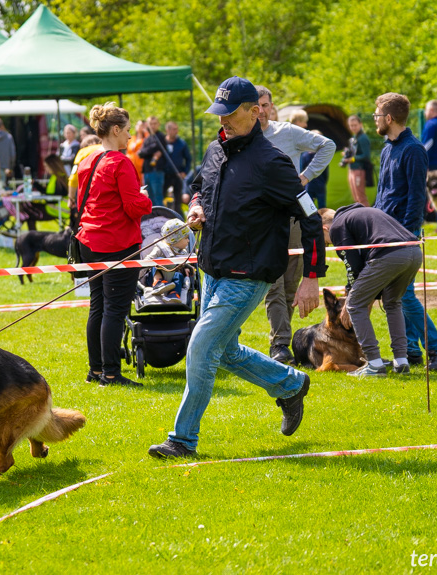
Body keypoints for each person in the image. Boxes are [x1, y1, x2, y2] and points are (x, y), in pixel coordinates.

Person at [148, 76, 326, 459]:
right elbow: (199, 186)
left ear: (254, 111)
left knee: (201, 345)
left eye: (230, 113)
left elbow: (310, 218)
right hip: (212, 268)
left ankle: (182, 440)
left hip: (249, 274)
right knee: (224, 351)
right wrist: (196, 205)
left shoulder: (273, 163)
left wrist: (311, 277)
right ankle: (291, 384)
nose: (223, 120)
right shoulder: (215, 150)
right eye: (220, 113)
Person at [255, 84, 336, 365]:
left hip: (293, 216)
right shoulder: (244, 136)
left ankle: (282, 342)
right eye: (256, 106)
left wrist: (305, 176)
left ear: (272, 107)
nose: (261, 111)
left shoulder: (286, 132)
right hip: (261, 222)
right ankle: (279, 344)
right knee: (273, 285)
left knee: (290, 284)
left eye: (266, 105)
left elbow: (328, 145)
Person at [372, 92, 437, 371]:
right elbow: (382, 194)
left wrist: (407, 234)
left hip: (402, 235)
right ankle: (410, 351)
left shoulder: (414, 150)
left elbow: (417, 197)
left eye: (377, 115)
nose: (375, 119)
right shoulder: (386, 149)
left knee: (403, 295)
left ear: (389, 118)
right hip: (383, 232)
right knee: (397, 294)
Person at [76, 102, 152, 387]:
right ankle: (110, 373)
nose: (131, 136)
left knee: (98, 305)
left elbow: (84, 202)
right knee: (115, 309)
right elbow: (134, 207)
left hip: (90, 240)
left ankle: (96, 370)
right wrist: (147, 200)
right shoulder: (120, 162)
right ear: (116, 130)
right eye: (128, 131)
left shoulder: (87, 160)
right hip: (115, 241)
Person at [321, 205, 422, 376]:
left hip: (388, 254)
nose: (328, 244)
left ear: (325, 228)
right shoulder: (360, 213)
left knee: (354, 305)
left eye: (325, 240)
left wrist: (352, 296)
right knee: (392, 304)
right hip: (414, 251)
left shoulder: (337, 226)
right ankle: (401, 361)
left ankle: (374, 363)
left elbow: (353, 266)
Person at [142, 218, 192, 301]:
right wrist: (144, 264)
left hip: (171, 277)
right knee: (159, 261)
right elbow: (149, 259)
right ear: (176, 240)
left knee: (179, 275)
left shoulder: (182, 253)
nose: (188, 240)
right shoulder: (160, 248)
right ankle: (158, 282)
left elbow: (185, 264)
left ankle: (173, 293)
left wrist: (186, 268)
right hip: (153, 277)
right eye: (186, 238)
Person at [67, 135, 102, 225]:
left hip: (89, 197)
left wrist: (71, 199)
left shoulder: (82, 152)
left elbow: (73, 178)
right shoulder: (107, 150)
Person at [341, 115, 372, 206]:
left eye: (355, 125)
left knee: (361, 198)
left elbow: (366, 155)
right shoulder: (354, 138)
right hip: (352, 169)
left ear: (360, 124)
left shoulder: (363, 138)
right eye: (351, 125)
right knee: (356, 198)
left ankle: (368, 218)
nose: (353, 127)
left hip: (359, 169)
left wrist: (352, 159)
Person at [162, 121, 192, 216]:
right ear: (168, 130)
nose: (176, 131)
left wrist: (184, 172)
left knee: (177, 200)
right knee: (161, 196)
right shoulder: (162, 143)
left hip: (177, 174)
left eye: (177, 129)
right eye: (174, 129)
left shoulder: (181, 143)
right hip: (164, 175)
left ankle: (178, 218)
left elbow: (188, 158)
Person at [137, 116, 167, 206]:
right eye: (151, 124)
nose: (153, 126)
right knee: (149, 197)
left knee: (157, 197)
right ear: (147, 125)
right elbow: (141, 153)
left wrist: (144, 152)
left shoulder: (161, 137)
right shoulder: (148, 138)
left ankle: (160, 218)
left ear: (158, 124)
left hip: (156, 171)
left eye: (155, 124)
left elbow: (149, 149)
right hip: (147, 171)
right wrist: (146, 152)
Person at [301, 130, 329, 209]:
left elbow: (325, 172)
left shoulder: (306, 155)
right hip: (312, 184)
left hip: (315, 184)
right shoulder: (306, 155)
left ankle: (322, 220)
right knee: (310, 207)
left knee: (318, 207)